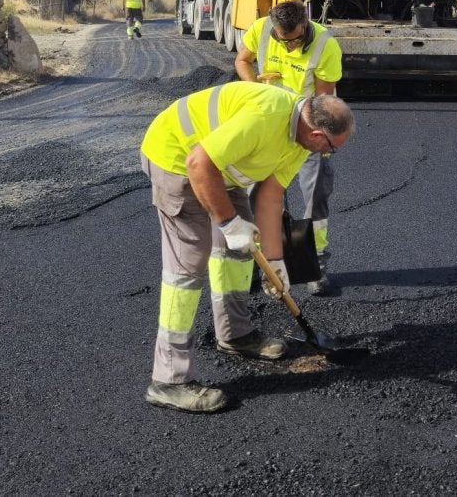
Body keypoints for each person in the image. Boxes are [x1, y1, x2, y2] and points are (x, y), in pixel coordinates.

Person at [140, 82, 355, 413]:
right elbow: (199, 163)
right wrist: (227, 223)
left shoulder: (300, 140)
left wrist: (275, 261)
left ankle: (235, 335)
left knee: (241, 250)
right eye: (330, 148)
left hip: (223, 169)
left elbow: (269, 196)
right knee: (188, 264)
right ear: (316, 134)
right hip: (178, 157)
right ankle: (168, 380)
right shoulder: (265, 117)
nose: (326, 154)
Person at [235, 0, 344, 294]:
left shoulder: (325, 45)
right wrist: (255, 89)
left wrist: (317, 138)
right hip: (268, 129)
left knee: (316, 194)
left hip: (307, 128)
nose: (290, 47)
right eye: (283, 41)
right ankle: (259, 266)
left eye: (295, 40)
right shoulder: (261, 29)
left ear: (304, 25)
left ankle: (315, 266)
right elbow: (242, 60)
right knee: (257, 196)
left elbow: (323, 101)